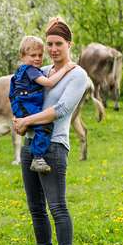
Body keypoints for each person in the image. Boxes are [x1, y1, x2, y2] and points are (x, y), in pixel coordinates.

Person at [13, 17, 89, 245]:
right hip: (30, 145)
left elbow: (61, 110)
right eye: (50, 44)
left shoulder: (77, 75)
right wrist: (18, 119)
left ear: (69, 44)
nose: (54, 49)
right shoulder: (41, 70)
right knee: (35, 206)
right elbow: (21, 93)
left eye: (58, 43)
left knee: (56, 205)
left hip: (54, 147)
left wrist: (26, 121)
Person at [9, 36, 76, 173]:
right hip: (25, 104)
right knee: (44, 125)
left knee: (34, 124)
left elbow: (11, 91)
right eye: (33, 55)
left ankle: (29, 136)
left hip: (21, 105)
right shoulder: (31, 70)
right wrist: (65, 69)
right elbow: (49, 83)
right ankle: (38, 157)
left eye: (40, 55)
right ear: (22, 56)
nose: (37, 58)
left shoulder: (21, 71)